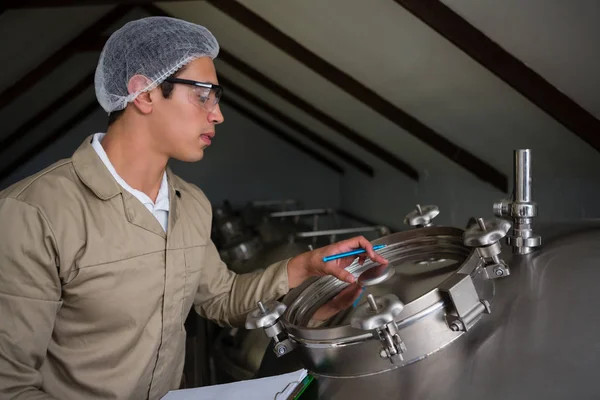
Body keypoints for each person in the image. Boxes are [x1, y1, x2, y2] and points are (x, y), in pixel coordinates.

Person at [0, 16, 388, 400]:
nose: (217, 114)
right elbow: (10, 385)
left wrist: (307, 265)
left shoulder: (190, 203)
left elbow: (220, 298)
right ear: (144, 92)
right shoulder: (34, 214)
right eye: (203, 94)